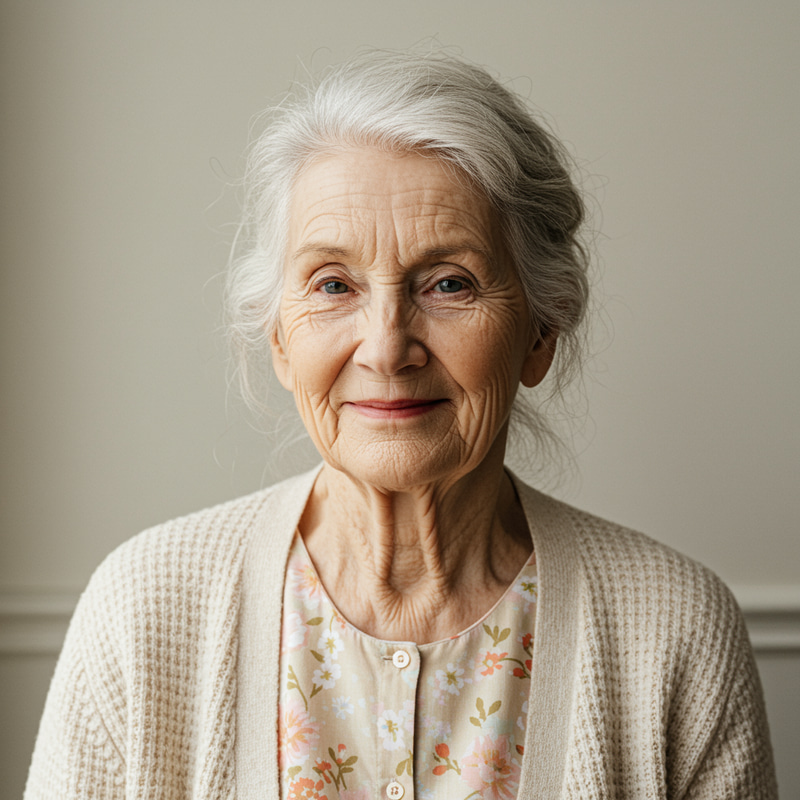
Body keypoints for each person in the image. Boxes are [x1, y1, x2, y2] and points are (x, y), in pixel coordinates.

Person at [25, 50, 776, 800]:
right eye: (334, 284)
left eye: (449, 283)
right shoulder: (144, 608)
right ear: (281, 338)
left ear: (541, 332)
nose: (386, 347)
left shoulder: (675, 629)